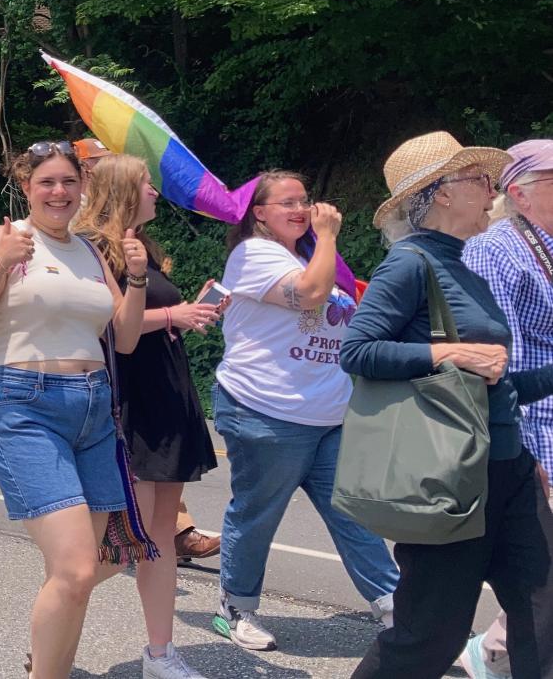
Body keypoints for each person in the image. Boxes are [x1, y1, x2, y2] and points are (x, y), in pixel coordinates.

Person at [341, 133, 553, 678]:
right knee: (430, 635)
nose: (492, 192)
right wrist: (448, 351)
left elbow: (495, 385)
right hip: (453, 479)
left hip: (508, 471)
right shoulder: (409, 265)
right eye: (479, 181)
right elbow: (358, 350)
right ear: (439, 193)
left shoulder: (465, 265)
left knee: (545, 617)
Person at [0, 142, 145, 679]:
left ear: (83, 187)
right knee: (78, 568)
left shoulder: (88, 250)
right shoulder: (6, 239)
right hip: (24, 404)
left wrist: (138, 278)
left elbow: (123, 339)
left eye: (68, 182)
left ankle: (48, 662)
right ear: (27, 187)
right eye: (47, 183)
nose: (59, 192)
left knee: (86, 567)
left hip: (95, 412)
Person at [212, 171, 398, 652]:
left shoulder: (315, 258)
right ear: (259, 213)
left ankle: (396, 607)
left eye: (305, 200)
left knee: (353, 513)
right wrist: (329, 235)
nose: (301, 209)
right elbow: (310, 295)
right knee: (258, 514)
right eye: (287, 203)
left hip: (328, 413)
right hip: (265, 409)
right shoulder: (254, 254)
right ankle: (236, 607)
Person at [75, 154, 218, 678]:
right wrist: (172, 314)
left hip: (167, 394)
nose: (157, 193)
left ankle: (160, 654)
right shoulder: (93, 249)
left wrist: (186, 311)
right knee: (126, 538)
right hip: (129, 400)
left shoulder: (143, 249)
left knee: (160, 537)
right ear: (122, 190)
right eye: (147, 185)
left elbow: (147, 320)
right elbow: (106, 326)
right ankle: (54, 621)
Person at [460, 140, 553, 677]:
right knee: (535, 571)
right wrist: (521, 450)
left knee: (540, 574)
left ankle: (493, 648)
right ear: (520, 192)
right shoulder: (496, 250)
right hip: (534, 432)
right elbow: (500, 362)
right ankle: (491, 649)